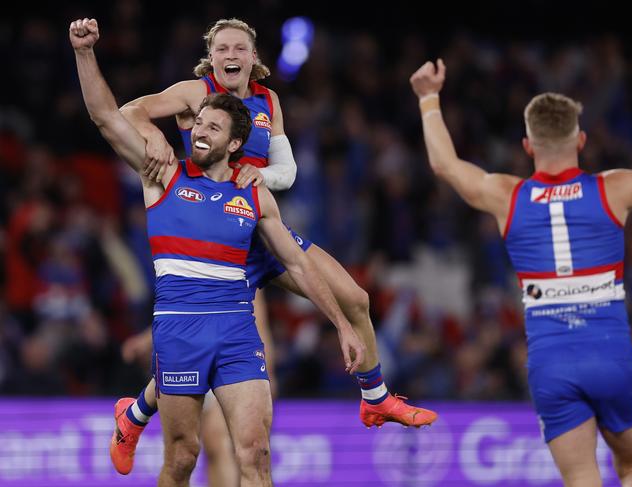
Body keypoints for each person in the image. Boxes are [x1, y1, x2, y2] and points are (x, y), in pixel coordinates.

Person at [112, 17, 438, 482]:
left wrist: (261, 177)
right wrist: (160, 146)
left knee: (356, 299)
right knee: (198, 347)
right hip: (210, 236)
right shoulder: (193, 92)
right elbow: (128, 113)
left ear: (252, 57)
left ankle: (374, 397)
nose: (230, 55)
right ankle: (136, 414)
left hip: (259, 228)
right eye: (222, 47)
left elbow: (287, 171)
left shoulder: (269, 102)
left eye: (239, 48)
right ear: (212, 55)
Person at [70, 17, 366, 487]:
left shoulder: (254, 195)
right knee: (183, 459)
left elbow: (296, 263)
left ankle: (137, 410)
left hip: (236, 333)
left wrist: (342, 324)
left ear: (235, 143)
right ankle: (137, 412)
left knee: (257, 454)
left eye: (213, 126)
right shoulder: (162, 174)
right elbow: (107, 117)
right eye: (198, 123)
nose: (199, 131)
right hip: (180, 330)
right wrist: (85, 54)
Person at [410, 59, 632, 487]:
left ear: (526, 146)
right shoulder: (616, 186)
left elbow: (445, 165)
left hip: (552, 362)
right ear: (582, 140)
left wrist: (429, 98)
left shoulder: (507, 195)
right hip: (612, 356)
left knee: (580, 478)